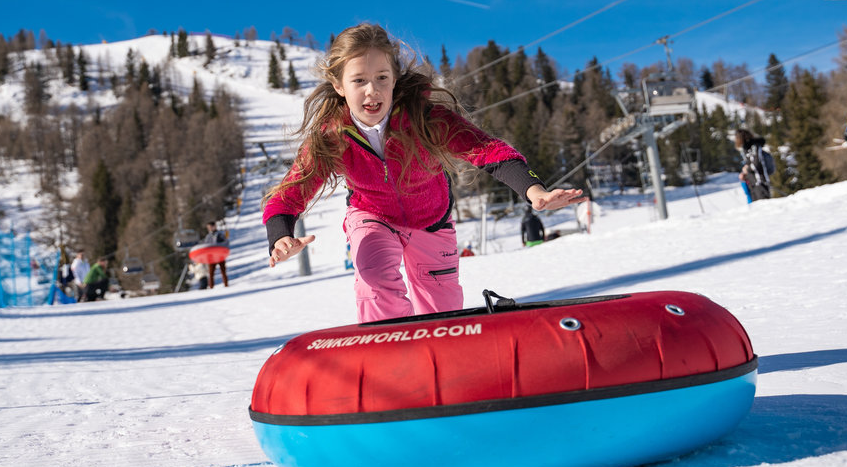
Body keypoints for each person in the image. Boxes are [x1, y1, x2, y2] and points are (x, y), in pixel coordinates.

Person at [263, 22, 585, 323]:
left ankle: (438, 356)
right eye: (359, 80)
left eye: (382, 78)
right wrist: (280, 236)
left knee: (439, 313)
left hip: (432, 221)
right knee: (375, 279)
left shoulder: (425, 119)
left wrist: (534, 191)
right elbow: (289, 194)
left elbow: (486, 149)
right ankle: (390, 350)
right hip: (372, 216)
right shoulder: (332, 135)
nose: (372, 91)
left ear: (395, 79)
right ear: (339, 86)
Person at [735, 128, 774, 202]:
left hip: (760, 182)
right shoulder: (747, 148)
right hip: (753, 183)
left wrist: (747, 169)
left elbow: (756, 163)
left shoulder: (754, 146)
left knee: (763, 205)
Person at [202, 221, 228, 288]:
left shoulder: (220, 235)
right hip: (211, 257)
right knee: (211, 273)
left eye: (210, 227)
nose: (209, 228)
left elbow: (225, 243)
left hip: (220, 256)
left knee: (223, 271)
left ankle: (226, 285)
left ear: (214, 226)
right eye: (208, 227)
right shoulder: (208, 236)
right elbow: (205, 246)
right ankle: (211, 287)